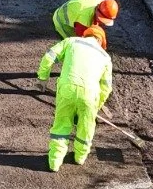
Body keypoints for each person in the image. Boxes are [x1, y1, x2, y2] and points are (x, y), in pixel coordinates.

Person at [38, 23, 112, 170]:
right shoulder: (105, 57)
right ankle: (80, 157)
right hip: (90, 95)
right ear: (101, 42)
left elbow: (49, 56)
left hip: (67, 89)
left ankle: (55, 161)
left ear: (85, 35)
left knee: (62, 123)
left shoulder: (71, 41)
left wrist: (43, 77)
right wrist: (97, 106)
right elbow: (106, 87)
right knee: (86, 127)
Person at [50, 0, 118, 40]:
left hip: (72, 9)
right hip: (61, 21)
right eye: (102, 20)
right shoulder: (83, 20)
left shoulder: (103, 4)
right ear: (97, 11)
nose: (103, 23)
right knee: (73, 43)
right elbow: (82, 40)